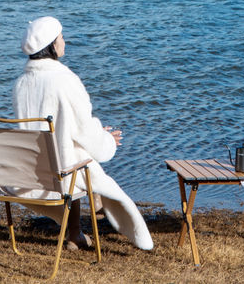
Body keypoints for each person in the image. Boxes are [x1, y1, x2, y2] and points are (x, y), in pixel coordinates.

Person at [12, 16, 153, 251]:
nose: (64, 42)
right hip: (61, 174)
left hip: (31, 172)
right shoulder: (65, 80)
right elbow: (84, 130)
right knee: (77, 156)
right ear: (52, 46)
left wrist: (94, 135)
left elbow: (56, 128)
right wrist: (106, 140)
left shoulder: (20, 84)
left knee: (70, 149)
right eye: (61, 38)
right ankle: (92, 218)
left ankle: (75, 233)